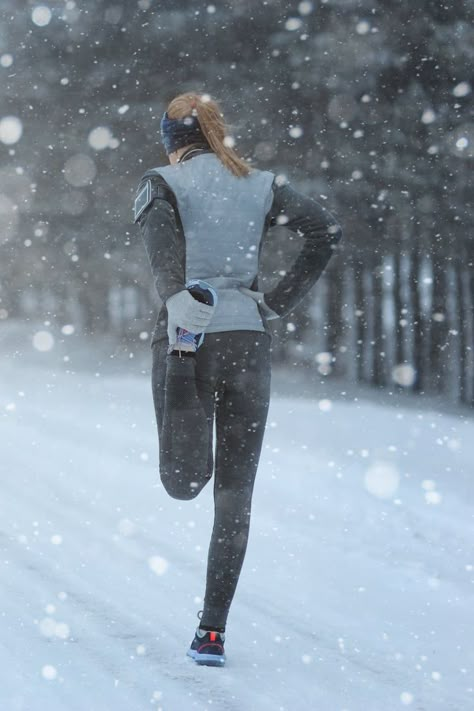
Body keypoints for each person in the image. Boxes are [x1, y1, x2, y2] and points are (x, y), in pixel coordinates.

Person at [134, 91, 343, 667]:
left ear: (172, 140)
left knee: (182, 482)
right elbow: (326, 232)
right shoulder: (262, 184)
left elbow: (165, 271)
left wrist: (180, 304)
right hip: (248, 343)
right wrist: (276, 303)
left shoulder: (160, 185)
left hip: (186, 345)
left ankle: (211, 628)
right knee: (236, 496)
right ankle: (212, 630)